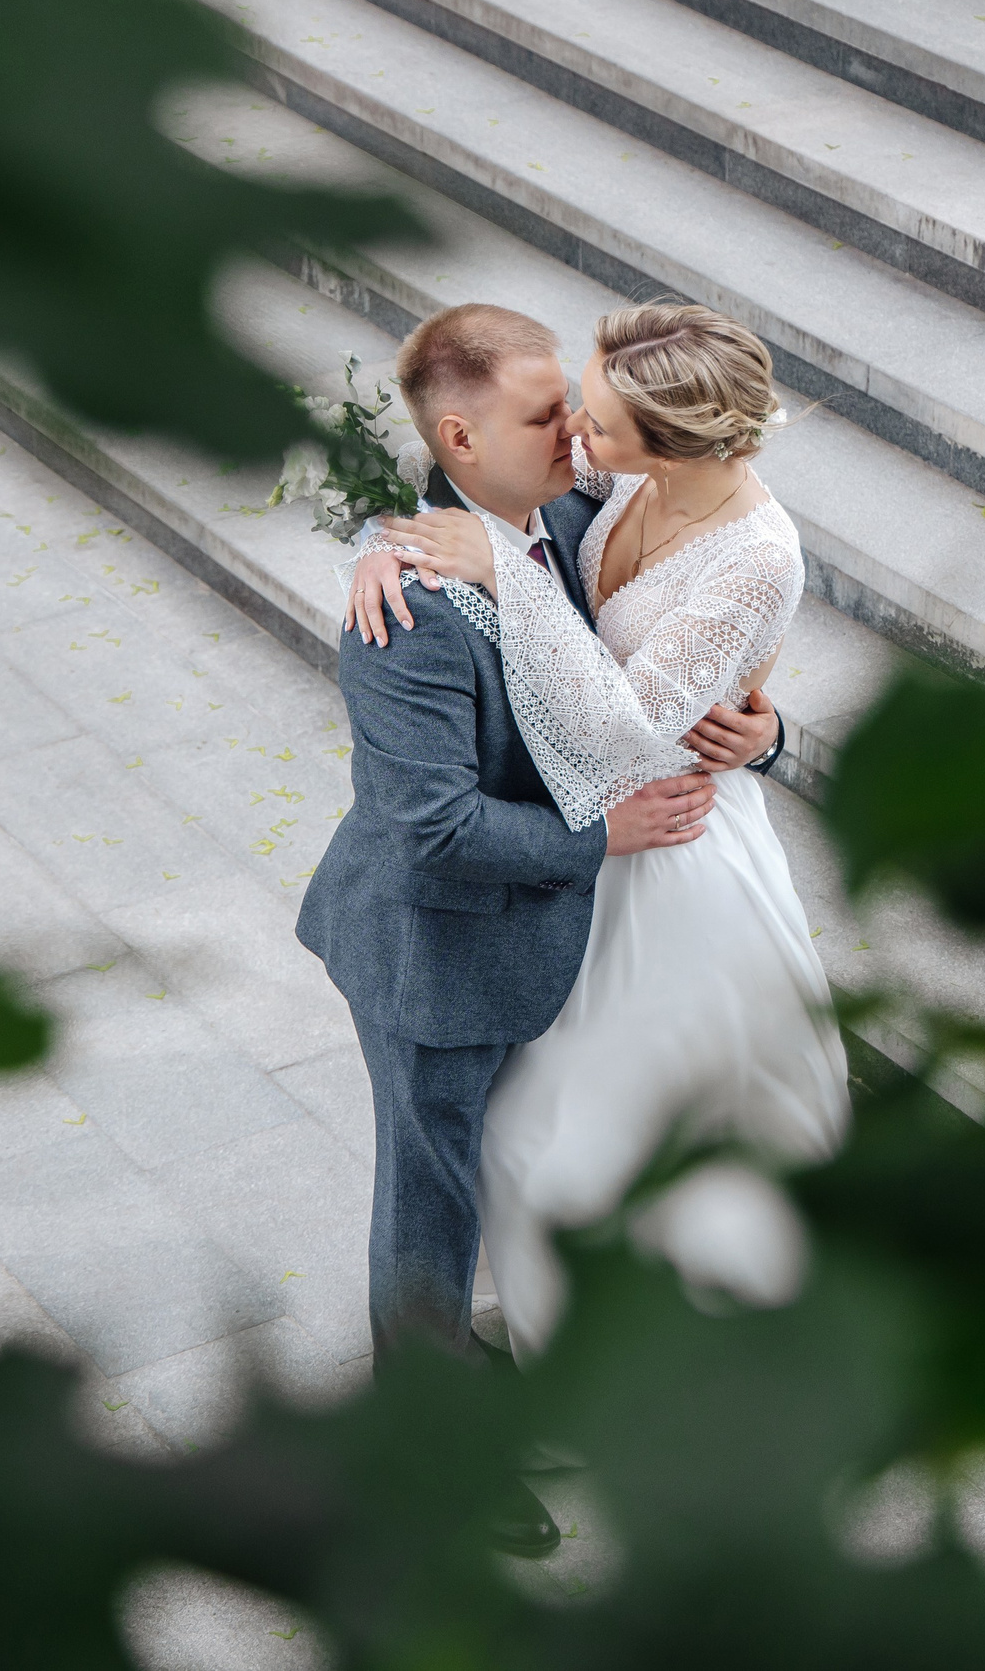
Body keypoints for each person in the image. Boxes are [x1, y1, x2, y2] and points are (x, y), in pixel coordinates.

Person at [295, 305, 783, 1555]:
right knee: (431, 1199)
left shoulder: (571, 514)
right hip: (434, 942)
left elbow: (687, 624)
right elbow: (432, 833)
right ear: (460, 435)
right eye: (542, 412)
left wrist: (769, 735)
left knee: (529, 1156)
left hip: (555, 934)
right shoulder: (400, 620)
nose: (576, 430)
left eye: (575, 400)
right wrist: (601, 838)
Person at [378, 301, 849, 1364]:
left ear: (671, 440)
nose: (571, 433)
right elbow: (473, 479)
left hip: (673, 845)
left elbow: (634, 724)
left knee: (617, 1125)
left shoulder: (756, 560)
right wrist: (385, 543)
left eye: (590, 416)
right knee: (539, 1122)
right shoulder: (623, 475)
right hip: (597, 836)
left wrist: (502, 576)